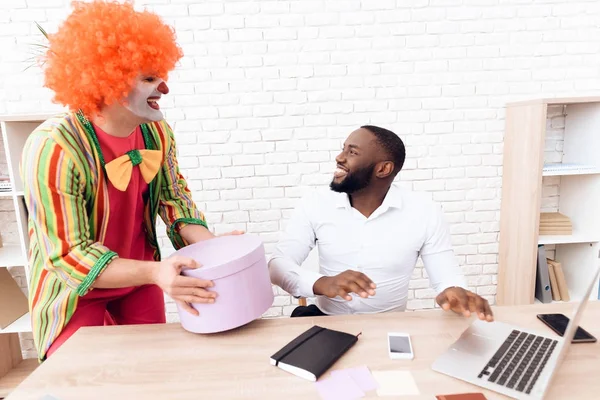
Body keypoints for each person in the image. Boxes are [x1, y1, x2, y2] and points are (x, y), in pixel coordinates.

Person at [20, 0, 240, 362]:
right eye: (149, 79)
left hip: (140, 279)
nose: (164, 88)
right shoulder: (54, 147)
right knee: (83, 380)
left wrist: (216, 249)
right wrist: (158, 272)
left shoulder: (157, 132)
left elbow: (174, 200)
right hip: (75, 290)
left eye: (162, 75)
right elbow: (69, 256)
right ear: (108, 82)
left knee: (152, 371)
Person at [269, 125, 494, 321]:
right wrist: (321, 283)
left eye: (352, 152)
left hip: (389, 326)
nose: (339, 157)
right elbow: (277, 265)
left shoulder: (424, 210)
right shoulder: (315, 203)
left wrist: (454, 292)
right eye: (343, 148)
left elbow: (447, 277)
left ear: (383, 169)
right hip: (326, 321)